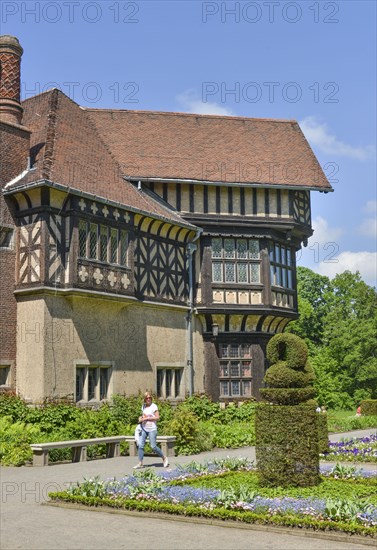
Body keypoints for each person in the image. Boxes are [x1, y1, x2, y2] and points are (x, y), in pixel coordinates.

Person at [133, 391, 169, 469]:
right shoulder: (143, 407)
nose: (148, 399)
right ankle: (140, 463)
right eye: (147, 398)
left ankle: (164, 457)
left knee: (153, 446)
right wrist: (141, 418)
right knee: (141, 445)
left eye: (150, 398)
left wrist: (148, 418)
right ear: (144, 399)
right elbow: (143, 416)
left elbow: (157, 417)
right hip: (144, 428)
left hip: (152, 429)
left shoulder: (154, 406)